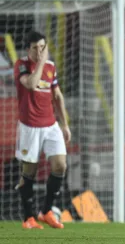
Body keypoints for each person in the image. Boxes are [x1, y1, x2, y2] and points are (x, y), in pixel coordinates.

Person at [14, 31, 70, 229]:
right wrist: (40, 62)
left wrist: (65, 124)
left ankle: (46, 211)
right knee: (29, 171)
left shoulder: (51, 66)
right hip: (29, 126)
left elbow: (57, 95)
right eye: (36, 48)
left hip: (50, 124)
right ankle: (28, 217)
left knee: (60, 166)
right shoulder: (21, 65)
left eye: (43, 47)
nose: (40, 51)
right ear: (28, 49)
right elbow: (30, 84)